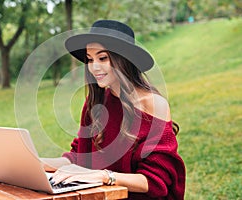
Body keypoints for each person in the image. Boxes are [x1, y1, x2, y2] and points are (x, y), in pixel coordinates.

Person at [40, 20, 186, 199]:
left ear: (123, 60)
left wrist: (105, 176)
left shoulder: (153, 104)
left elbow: (155, 182)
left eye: (103, 58)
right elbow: (80, 157)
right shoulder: (96, 102)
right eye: (90, 59)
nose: (94, 67)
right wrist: (37, 164)